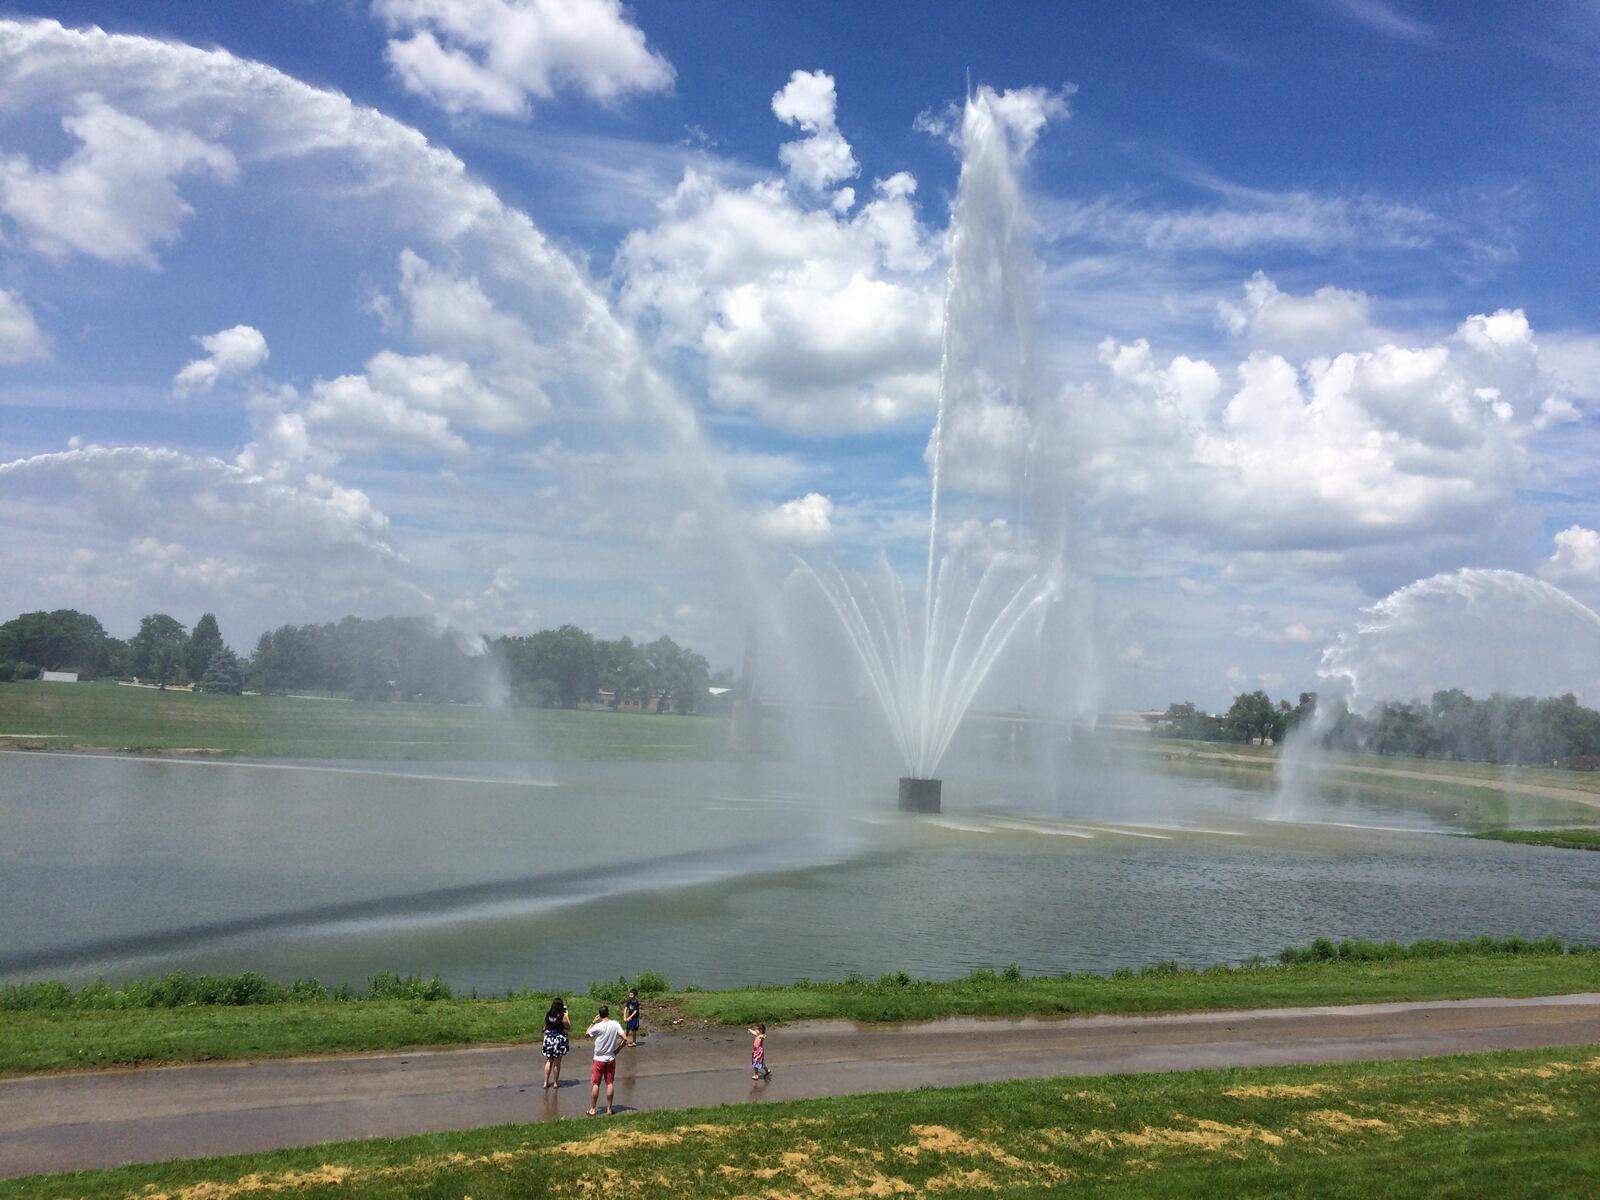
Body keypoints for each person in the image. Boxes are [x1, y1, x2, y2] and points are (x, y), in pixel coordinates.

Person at [585, 1003, 626, 1115]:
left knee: (596, 1084)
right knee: (609, 1083)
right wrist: (618, 1050)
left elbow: (586, 1034)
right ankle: (609, 1109)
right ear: (608, 1013)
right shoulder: (615, 1024)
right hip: (610, 1058)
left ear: (600, 1014)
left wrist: (593, 1022)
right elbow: (625, 1038)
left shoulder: (597, 1026)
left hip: (598, 1059)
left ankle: (593, 1109)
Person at [541, 996, 570, 1089]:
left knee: (549, 1060)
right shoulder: (562, 1016)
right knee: (557, 1062)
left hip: (549, 1039)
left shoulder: (547, 1014)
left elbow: (545, 1027)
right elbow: (568, 1027)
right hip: (559, 1040)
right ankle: (555, 1083)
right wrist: (567, 1016)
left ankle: (545, 1082)